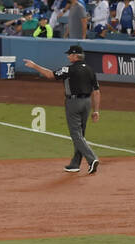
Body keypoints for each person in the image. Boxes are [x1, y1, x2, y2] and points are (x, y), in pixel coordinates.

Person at [23, 45, 101, 174]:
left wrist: (34, 66)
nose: (68, 56)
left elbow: (50, 75)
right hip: (87, 103)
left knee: (76, 134)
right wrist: (96, 110)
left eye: (70, 54)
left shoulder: (68, 69)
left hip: (74, 103)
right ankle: (75, 163)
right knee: (80, 134)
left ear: (75, 56)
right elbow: (97, 92)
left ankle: (92, 159)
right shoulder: (89, 69)